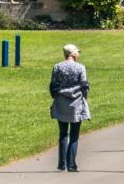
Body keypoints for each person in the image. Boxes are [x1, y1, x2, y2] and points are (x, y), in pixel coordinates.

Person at [50, 43, 90, 172]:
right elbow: (84, 85)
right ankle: (71, 164)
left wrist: (56, 97)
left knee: (63, 134)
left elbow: (53, 85)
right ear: (73, 54)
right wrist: (85, 98)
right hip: (76, 103)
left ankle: (62, 164)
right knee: (74, 134)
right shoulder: (80, 67)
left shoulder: (57, 67)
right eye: (77, 52)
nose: (78, 54)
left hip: (61, 101)